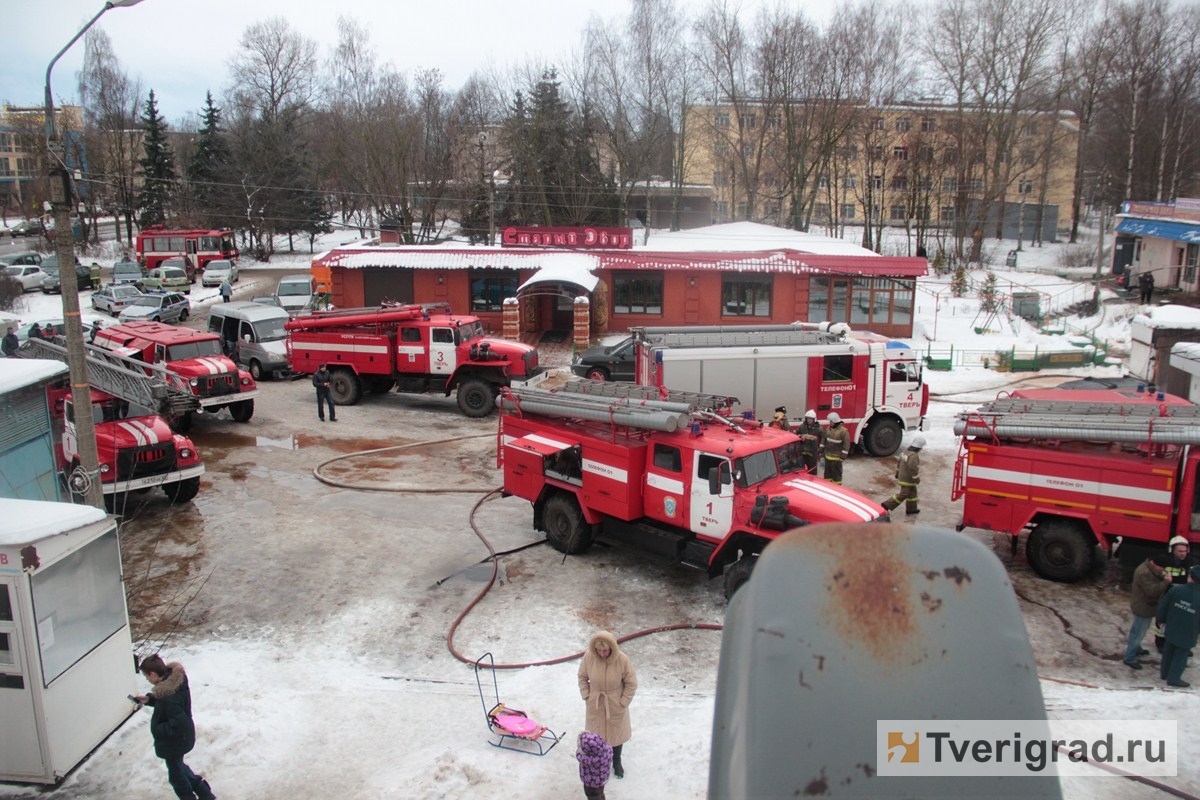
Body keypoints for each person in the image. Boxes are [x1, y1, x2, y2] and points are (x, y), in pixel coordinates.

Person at [132, 654, 216, 800]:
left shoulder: (167, 695)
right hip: (180, 739)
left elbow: (178, 723)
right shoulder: (174, 682)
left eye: (147, 677)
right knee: (179, 768)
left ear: (153, 674)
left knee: (177, 778)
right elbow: (170, 705)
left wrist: (158, 728)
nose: (147, 680)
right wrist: (149, 699)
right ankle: (205, 794)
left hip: (175, 742)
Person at [578, 630, 637, 779]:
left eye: (605, 650)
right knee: (596, 733)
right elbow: (582, 676)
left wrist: (623, 702)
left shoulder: (622, 660)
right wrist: (587, 695)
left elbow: (631, 683)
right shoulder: (589, 657)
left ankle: (616, 761)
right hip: (595, 702)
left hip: (614, 702)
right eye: (599, 650)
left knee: (615, 733)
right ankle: (599, 760)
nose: (602, 653)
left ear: (611, 648)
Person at [1156, 565, 1200, 688]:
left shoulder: (1176, 590)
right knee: (1181, 655)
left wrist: (1161, 621)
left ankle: (1164, 674)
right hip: (1189, 632)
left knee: (1168, 650)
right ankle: (1174, 678)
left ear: (1190, 578)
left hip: (1171, 626)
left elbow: (1163, 607)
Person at [1124, 557, 1172, 670]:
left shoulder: (1149, 569)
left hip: (1146, 606)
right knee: (1138, 632)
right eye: (1162, 568)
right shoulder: (1144, 573)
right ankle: (1129, 657)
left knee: (1140, 630)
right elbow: (1152, 591)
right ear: (1156, 565)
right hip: (1143, 607)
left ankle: (1136, 649)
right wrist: (1166, 581)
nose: (1163, 570)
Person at [1154, 536, 1197, 651]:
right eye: (1180, 551)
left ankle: (1178, 645)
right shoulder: (1163, 560)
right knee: (1163, 620)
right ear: (1172, 550)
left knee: (1180, 621)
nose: (1183, 554)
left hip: (1183, 595)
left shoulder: (1192, 562)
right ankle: (1160, 643)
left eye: (1185, 551)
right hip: (1167, 594)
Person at [881, 435, 924, 516]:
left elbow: (899, 464)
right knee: (904, 494)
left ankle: (911, 509)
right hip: (908, 479)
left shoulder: (905, 452)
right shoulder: (913, 456)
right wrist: (916, 478)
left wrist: (897, 474)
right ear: (919, 447)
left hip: (902, 476)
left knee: (913, 494)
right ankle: (887, 504)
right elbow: (913, 468)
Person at [576, 731, 614, 800]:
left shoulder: (588, 760)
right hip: (601, 781)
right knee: (600, 794)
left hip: (590, 784)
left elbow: (578, 755)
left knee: (592, 797)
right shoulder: (606, 751)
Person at [822, 412, 851, 485]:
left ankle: (837, 489)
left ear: (835, 421)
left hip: (837, 459)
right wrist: (820, 450)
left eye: (831, 421)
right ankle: (827, 488)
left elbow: (846, 445)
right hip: (828, 458)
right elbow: (824, 440)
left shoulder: (844, 431)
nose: (829, 423)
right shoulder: (828, 429)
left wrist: (842, 457)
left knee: (837, 477)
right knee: (827, 476)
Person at [796, 409, 825, 475]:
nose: (808, 420)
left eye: (810, 419)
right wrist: (800, 437)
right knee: (803, 471)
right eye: (807, 418)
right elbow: (796, 435)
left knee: (812, 472)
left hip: (813, 454)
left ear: (814, 419)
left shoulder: (819, 429)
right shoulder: (802, 427)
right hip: (803, 454)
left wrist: (821, 453)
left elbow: (823, 441)